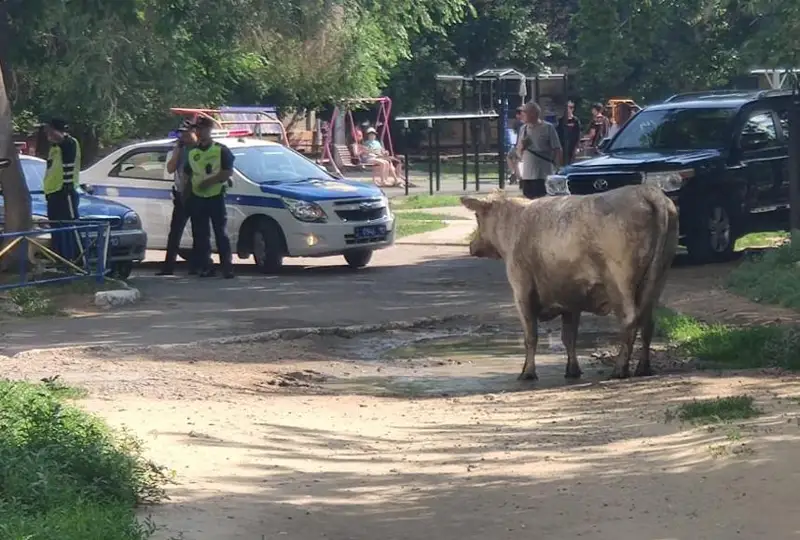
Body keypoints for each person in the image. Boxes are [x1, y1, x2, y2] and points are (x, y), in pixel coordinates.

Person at [183, 116, 235, 279]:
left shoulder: (221, 150)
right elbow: (187, 174)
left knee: (221, 233)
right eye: (197, 129)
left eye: (202, 129)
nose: (199, 132)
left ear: (209, 130)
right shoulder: (193, 152)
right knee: (201, 234)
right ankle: (206, 266)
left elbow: (227, 172)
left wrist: (209, 182)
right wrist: (185, 195)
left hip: (215, 196)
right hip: (198, 197)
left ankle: (227, 267)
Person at [156, 119, 202, 276]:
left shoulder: (200, 149)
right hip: (181, 195)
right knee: (175, 232)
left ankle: (196, 266)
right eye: (181, 133)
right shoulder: (180, 149)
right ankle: (168, 267)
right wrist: (176, 152)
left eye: (187, 132)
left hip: (197, 195)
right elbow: (170, 169)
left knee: (199, 231)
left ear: (194, 132)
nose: (183, 136)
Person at [42, 118, 84, 264]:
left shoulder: (70, 143)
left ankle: (75, 262)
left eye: (49, 130)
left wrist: (52, 130)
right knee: (57, 229)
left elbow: (63, 139)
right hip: (53, 194)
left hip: (65, 192)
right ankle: (60, 261)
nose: (47, 134)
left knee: (69, 227)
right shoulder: (54, 149)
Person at [515, 101, 562, 199]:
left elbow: (557, 149)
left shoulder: (548, 128)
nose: (521, 115)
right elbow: (518, 153)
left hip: (543, 174)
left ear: (533, 113)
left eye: (524, 112)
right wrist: (522, 147)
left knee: (543, 203)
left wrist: (557, 168)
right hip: (527, 175)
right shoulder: (523, 129)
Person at [557, 100, 582, 165]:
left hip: (572, 146)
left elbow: (578, 134)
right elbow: (558, 133)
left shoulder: (575, 120)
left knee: (572, 162)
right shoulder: (561, 120)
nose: (569, 109)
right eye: (568, 107)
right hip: (563, 146)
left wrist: (577, 147)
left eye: (571, 107)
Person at [505, 106, 524, 185]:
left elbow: (515, 132)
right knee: (516, 160)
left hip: (519, 145)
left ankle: (515, 174)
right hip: (521, 145)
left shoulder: (518, 123)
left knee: (512, 158)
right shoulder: (526, 123)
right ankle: (517, 176)